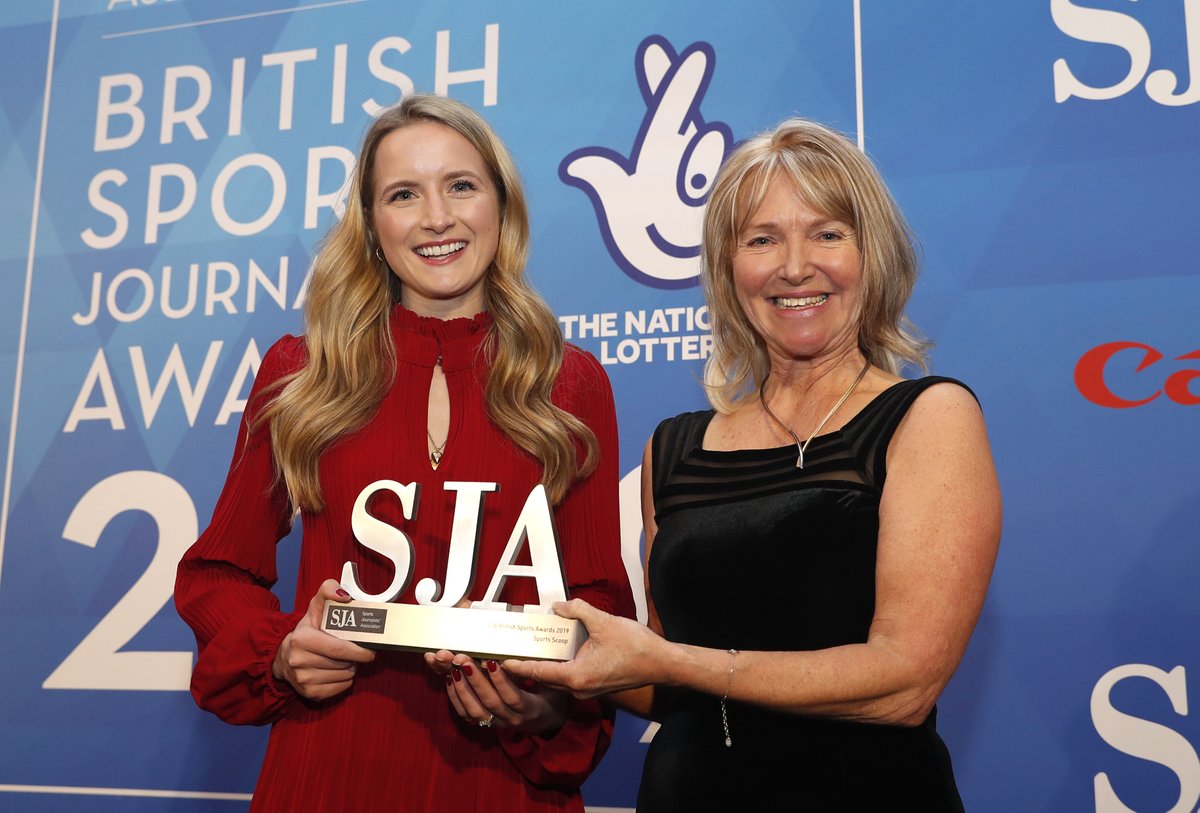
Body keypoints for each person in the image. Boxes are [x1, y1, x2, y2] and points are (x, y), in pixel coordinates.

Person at [505, 118, 1002, 811]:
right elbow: (663, 682)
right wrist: (534, 658)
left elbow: (904, 683)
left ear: (872, 254)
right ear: (727, 268)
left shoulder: (928, 417)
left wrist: (671, 660)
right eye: (762, 239)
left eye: (826, 233)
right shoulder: (673, 449)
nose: (794, 266)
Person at [174, 94, 634, 812]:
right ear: (370, 223)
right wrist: (282, 652)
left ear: (502, 206)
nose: (437, 218)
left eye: (461, 185)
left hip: (500, 783)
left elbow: (597, 598)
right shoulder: (300, 374)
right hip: (328, 771)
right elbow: (218, 573)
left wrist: (546, 703)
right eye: (403, 194)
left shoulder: (571, 382)